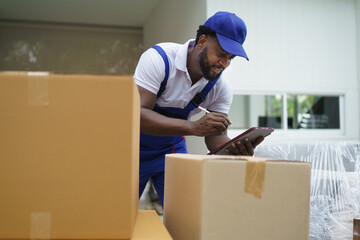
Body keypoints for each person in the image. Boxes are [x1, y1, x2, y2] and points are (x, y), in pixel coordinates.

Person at [133, 11, 264, 206]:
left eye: (230, 58)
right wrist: (193, 128)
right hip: (132, 150)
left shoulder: (220, 87)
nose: (225, 64)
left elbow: (215, 137)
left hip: (171, 151)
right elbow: (138, 116)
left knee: (185, 213)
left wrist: (234, 150)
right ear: (202, 41)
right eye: (221, 54)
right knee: (117, 216)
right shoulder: (159, 59)